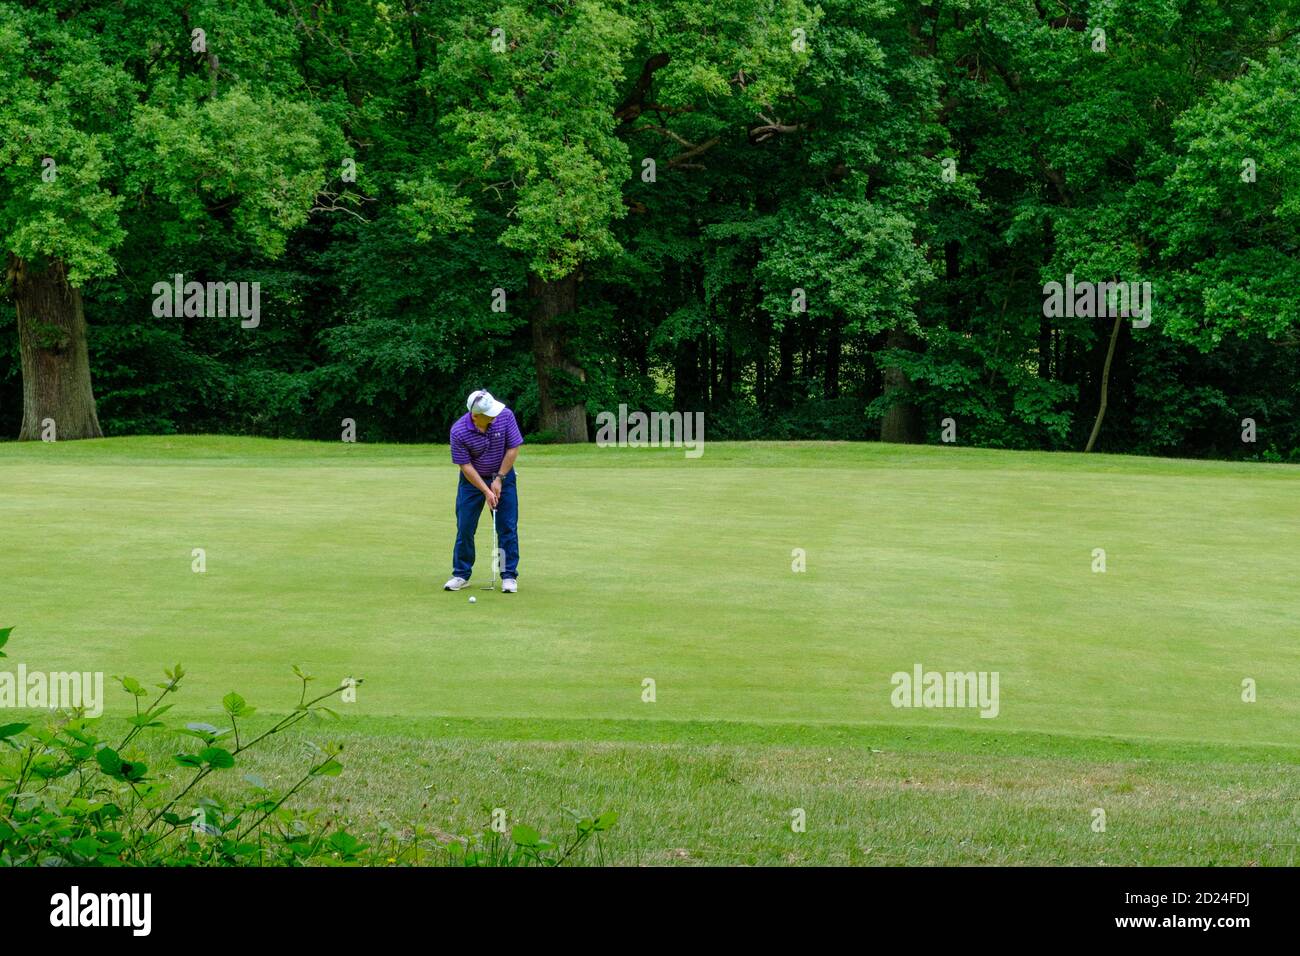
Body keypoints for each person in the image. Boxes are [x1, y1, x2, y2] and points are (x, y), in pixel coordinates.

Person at [443, 389, 523, 593]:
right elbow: (465, 466)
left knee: (506, 527)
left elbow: (513, 448)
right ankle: (461, 574)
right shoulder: (459, 431)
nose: (494, 415)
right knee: (465, 527)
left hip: (503, 477)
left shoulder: (505, 415)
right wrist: (486, 491)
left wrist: (499, 479)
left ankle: (508, 575)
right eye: (489, 414)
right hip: (472, 482)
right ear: (476, 416)